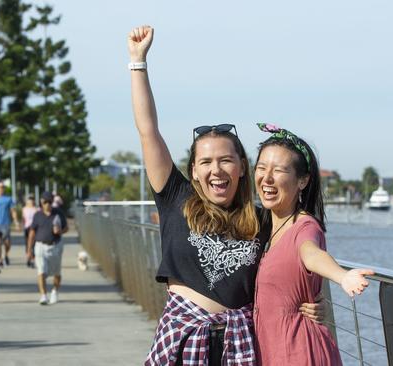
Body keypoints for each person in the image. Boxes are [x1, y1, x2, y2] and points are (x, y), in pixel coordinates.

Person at [129, 26, 321, 365]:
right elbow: (148, 132)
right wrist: (138, 63)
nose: (215, 169)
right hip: (185, 337)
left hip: (242, 341)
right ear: (193, 171)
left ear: (242, 168)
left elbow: (297, 258)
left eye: (225, 160)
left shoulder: (265, 221)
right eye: (205, 162)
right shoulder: (177, 198)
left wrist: (310, 303)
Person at [252, 123, 374, 365]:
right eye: (261, 168)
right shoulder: (263, 225)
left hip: (299, 351)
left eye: (279, 170)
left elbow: (312, 254)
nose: (267, 178)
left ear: (302, 181)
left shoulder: (305, 226)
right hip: (271, 349)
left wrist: (342, 276)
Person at [27, 192, 65, 305]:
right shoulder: (37, 215)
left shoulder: (58, 213)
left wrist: (60, 231)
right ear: (41, 203)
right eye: (45, 202)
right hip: (40, 246)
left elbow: (66, 227)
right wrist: (29, 249)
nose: (47, 204)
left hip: (55, 245)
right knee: (41, 271)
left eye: (49, 202)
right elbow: (32, 232)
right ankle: (43, 295)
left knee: (56, 272)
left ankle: (55, 291)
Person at [0, 182, 18, 266]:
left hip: (6, 224)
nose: (1, 189)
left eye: (2, 187)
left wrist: (16, 222)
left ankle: (6, 255)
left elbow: (13, 211)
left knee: (7, 243)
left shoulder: (8, 199)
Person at [22, 195, 38, 268]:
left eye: (32, 201)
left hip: (34, 228)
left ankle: (32, 259)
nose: (30, 202)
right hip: (27, 228)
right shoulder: (24, 209)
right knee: (27, 244)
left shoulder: (36, 209)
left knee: (34, 244)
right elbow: (24, 219)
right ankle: (28, 257)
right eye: (29, 201)